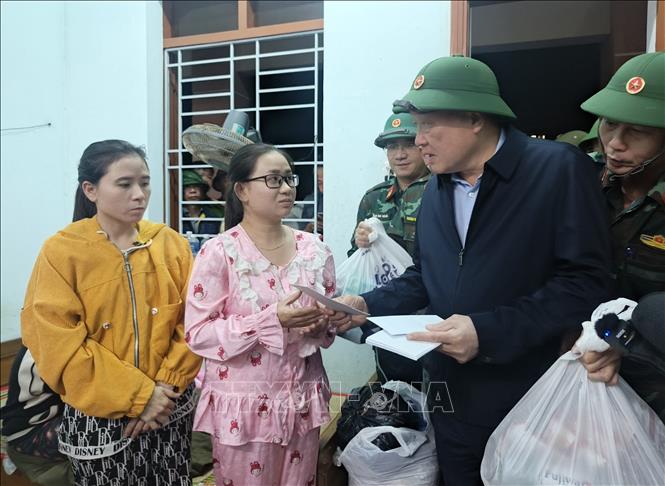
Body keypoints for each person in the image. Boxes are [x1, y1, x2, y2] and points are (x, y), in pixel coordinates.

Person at [328, 56, 612, 484]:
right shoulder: (436, 190)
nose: (418, 140)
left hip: (532, 398)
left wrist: (487, 332)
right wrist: (366, 304)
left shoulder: (556, 170)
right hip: (452, 398)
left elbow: (585, 282)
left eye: (428, 125)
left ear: (475, 119)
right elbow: (425, 276)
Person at [20, 139, 202, 485]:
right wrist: (140, 396)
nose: (139, 195)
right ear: (90, 190)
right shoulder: (62, 252)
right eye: (124, 184)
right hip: (100, 416)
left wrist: (164, 387)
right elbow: (55, 341)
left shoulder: (170, 244)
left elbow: (193, 322)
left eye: (145, 183)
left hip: (169, 407)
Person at [184, 143, 336, 486]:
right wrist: (270, 321)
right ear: (242, 191)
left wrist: (323, 323)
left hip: (301, 401)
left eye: (289, 178)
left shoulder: (314, 249)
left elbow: (325, 331)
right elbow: (199, 334)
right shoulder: (219, 252)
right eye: (273, 179)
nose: (286, 188)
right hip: (244, 409)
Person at [578, 51, 665, 421]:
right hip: (577, 371)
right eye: (610, 124)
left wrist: (626, 342)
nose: (615, 143)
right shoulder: (581, 183)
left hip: (652, 390)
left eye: (638, 132)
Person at [348, 112, 430, 386]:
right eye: (392, 146)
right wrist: (361, 243)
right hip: (387, 313)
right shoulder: (374, 198)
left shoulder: (441, 191)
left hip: (432, 313)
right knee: (394, 387)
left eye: (408, 144)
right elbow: (356, 257)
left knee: (436, 391)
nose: (400, 154)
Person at [1, 346, 74, 485]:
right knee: (100, 427)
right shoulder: (53, 347)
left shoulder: (42, 340)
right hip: (27, 433)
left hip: (38, 419)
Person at [182, 169, 223, 237]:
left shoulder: (215, 214)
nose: (193, 190)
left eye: (196, 186)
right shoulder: (175, 217)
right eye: (187, 187)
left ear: (203, 190)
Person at [302, 165, 324, 234]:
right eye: (320, 183)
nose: (324, 187)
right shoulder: (310, 201)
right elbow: (301, 233)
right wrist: (310, 227)